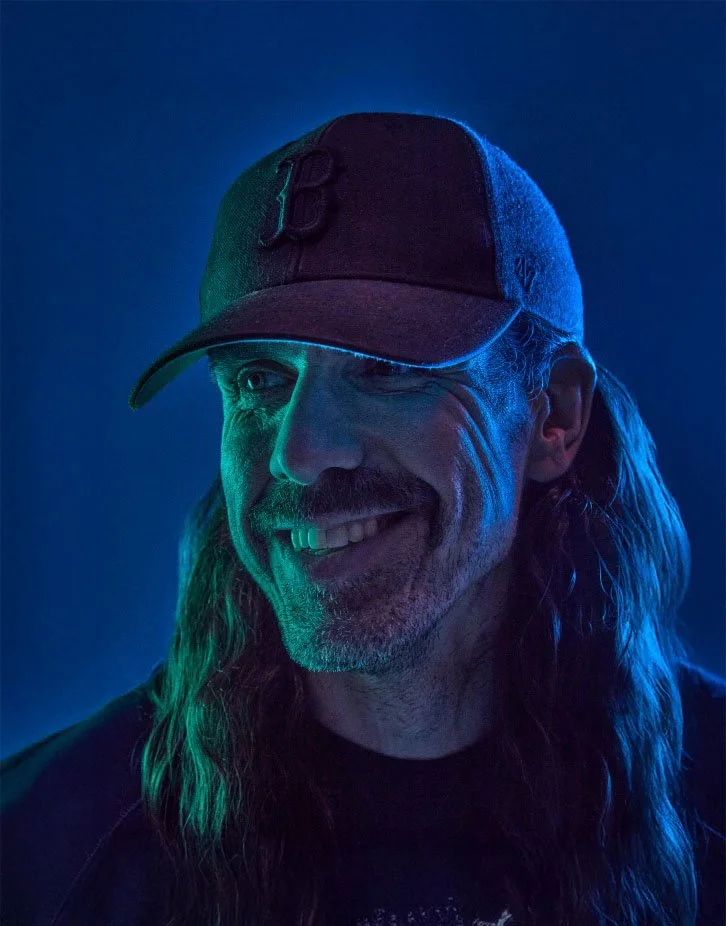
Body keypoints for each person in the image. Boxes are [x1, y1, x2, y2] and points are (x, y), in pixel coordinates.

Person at [2, 111, 724, 926]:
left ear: (552, 415)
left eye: (387, 369)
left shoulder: (710, 806)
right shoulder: (40, 858)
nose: (300, 453)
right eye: (259, 381)